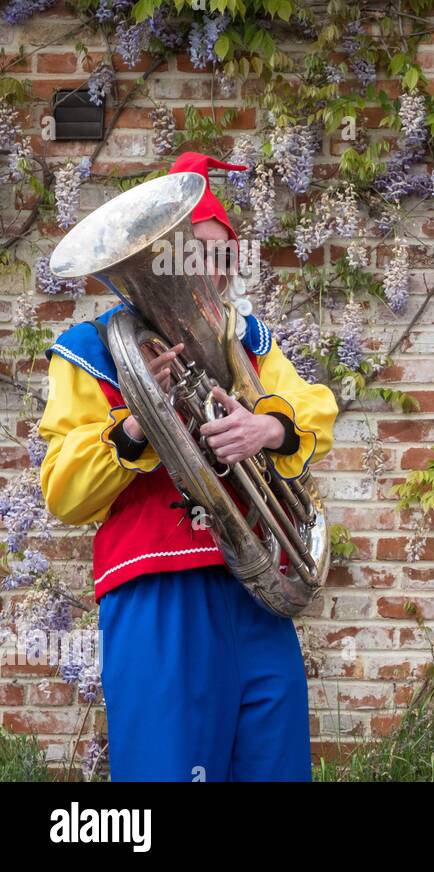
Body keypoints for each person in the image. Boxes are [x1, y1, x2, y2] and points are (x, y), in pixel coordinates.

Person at [38, 152, 338, 781]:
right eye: (190, 250)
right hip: (156, 590)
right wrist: (139, 420)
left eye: (221, 252)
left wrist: (268, 426)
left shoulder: (249, 338)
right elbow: (64, 491)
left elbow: (313, 408)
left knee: (274, 764)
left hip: (255, 588)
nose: (208, 269)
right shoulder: (91, 351)